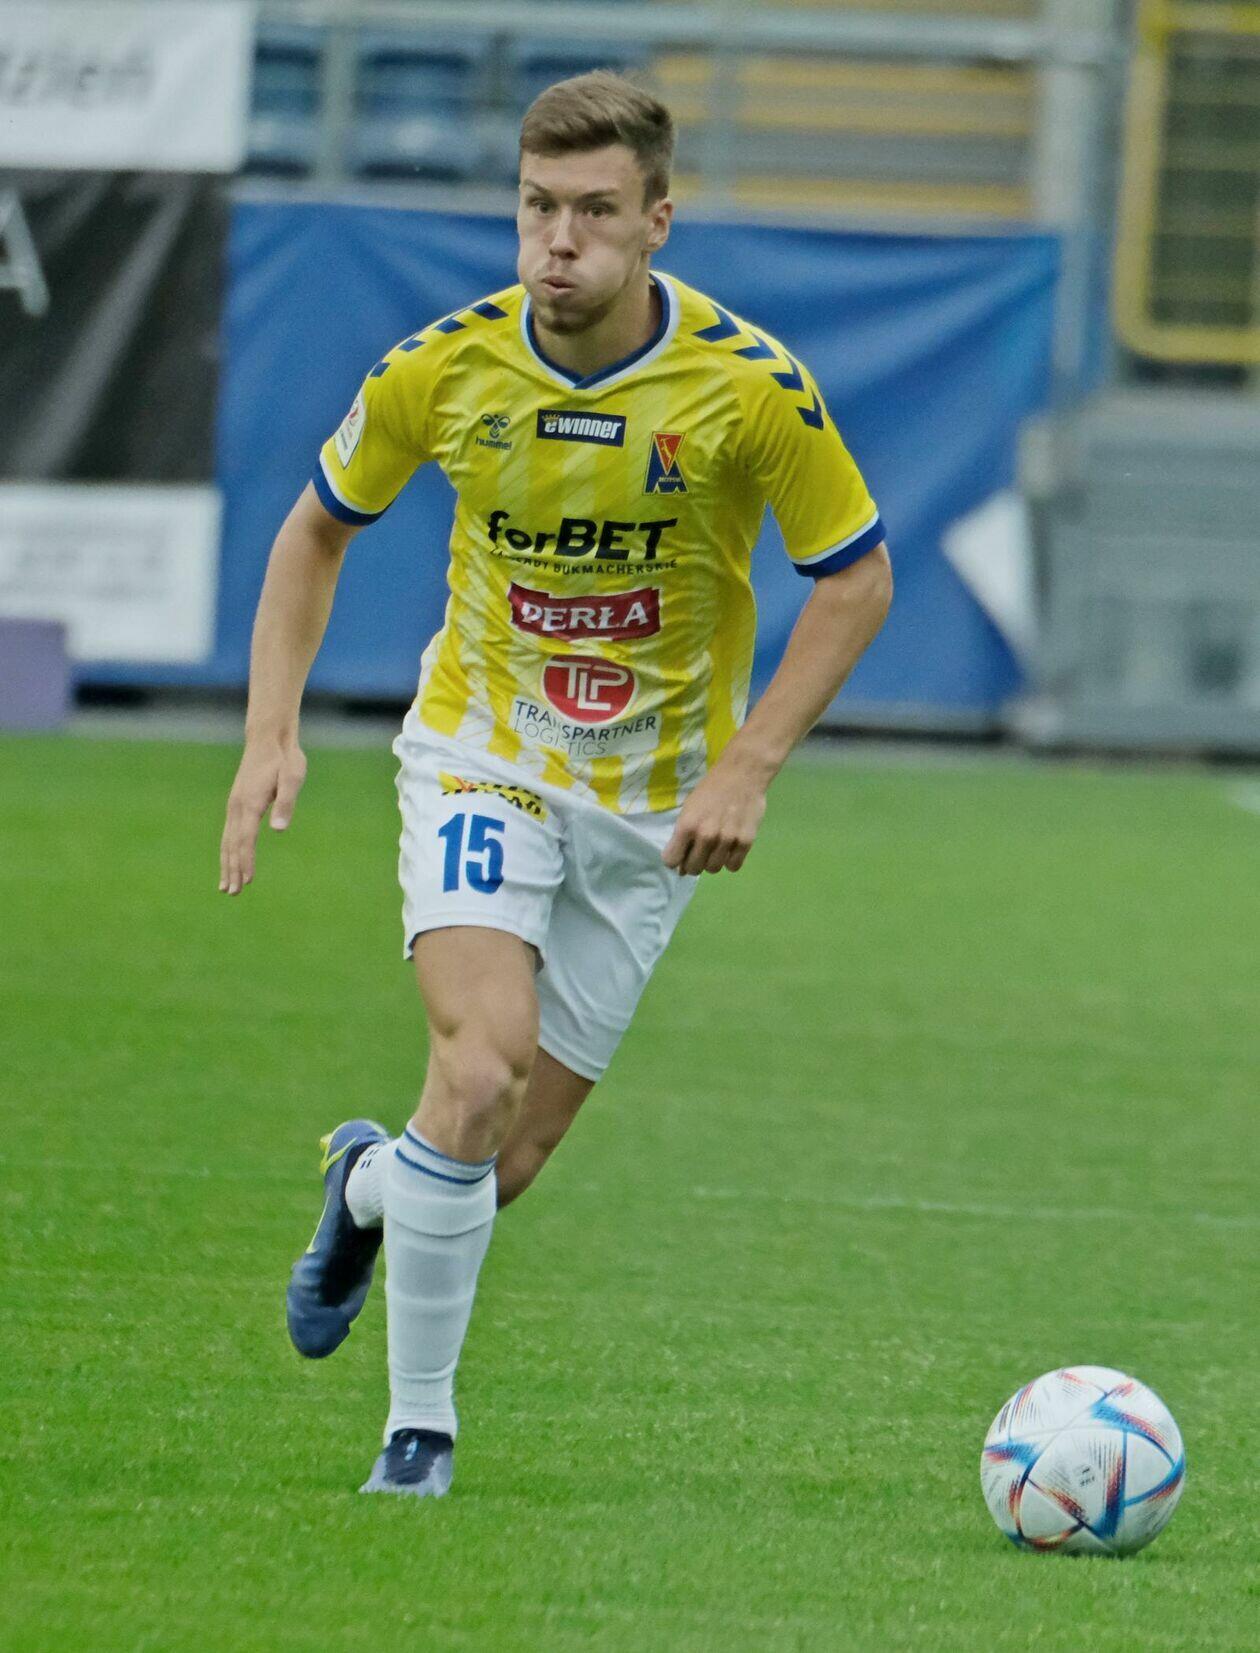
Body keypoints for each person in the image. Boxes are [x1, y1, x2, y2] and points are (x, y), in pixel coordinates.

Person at [218, 71, 892, 1499]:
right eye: (536, 209)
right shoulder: (442, 368)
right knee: (479, 1065)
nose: (558, 243)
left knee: (497, 1160)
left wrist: (750, 765)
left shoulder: (749, 387)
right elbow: (314, 530)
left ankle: (366, 1183)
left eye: (593, 213)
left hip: (656, 809)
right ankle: (418, 1434)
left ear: (658, 220)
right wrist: (271, 731)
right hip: (487, 754)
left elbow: (857, 578)